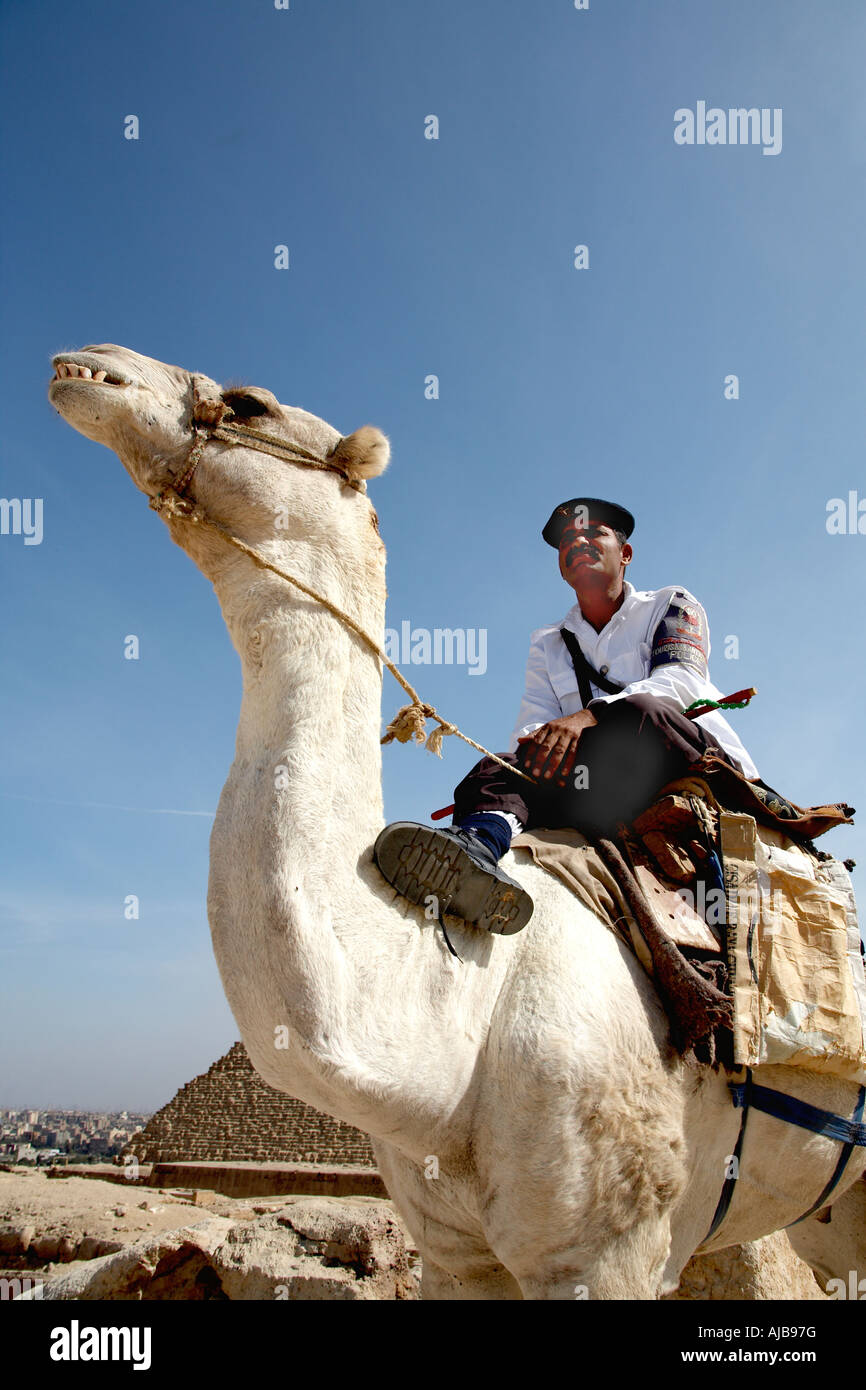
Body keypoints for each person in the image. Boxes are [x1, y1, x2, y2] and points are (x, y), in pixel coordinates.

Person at [374, 497, 759, 935]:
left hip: (679, 750)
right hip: (601, 777)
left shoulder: (671, 602)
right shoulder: (547, 643)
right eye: (566, 540)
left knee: (643, 711)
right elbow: (533, 727)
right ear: (561, 566)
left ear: (625, 554)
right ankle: (477, 849)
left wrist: (587, 718)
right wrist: (538, 748)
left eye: (594, 533)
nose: (578, 541)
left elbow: (681, 680)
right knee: (498, 767)